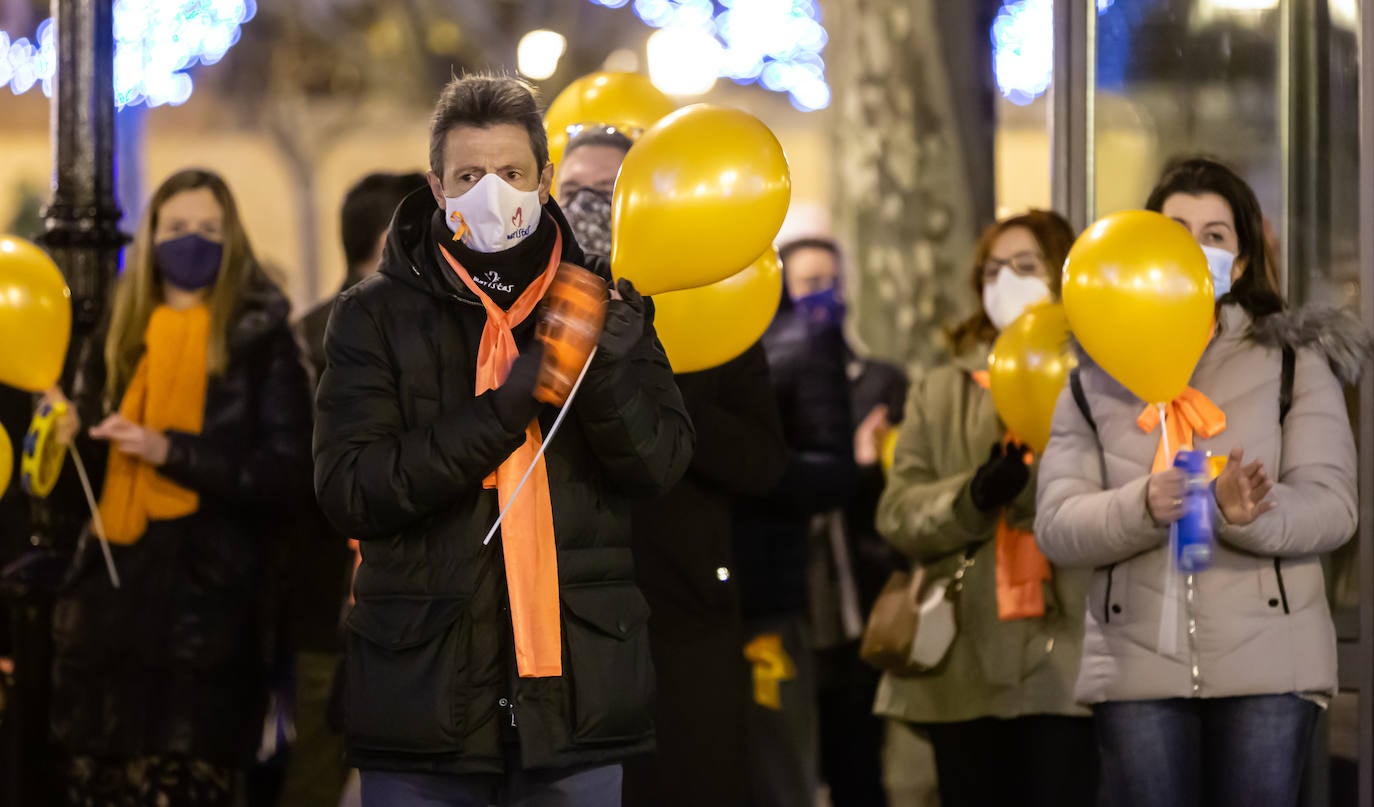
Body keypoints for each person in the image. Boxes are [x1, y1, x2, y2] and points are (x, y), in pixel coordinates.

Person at [312, 74, 694, 806]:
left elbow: (660, 465)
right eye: (469, 175)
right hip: (425, 703)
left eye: (512, 173)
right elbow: (351, 489)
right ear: (437, 185)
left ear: (545, 179)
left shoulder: (601, 300)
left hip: (576, 696)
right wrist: (501, 410)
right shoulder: (372, 316)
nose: (494, 192)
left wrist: (610, 365)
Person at [1036, 157, 1368, 807]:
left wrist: (1248, 513)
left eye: (1214, 234)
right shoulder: (1091, 377)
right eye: (1176, 228)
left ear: (1240, 262)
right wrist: (1142, 503)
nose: (1194, 247)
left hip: (1272, 668)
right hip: (1134, 674)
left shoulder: (1291, 364)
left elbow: (1333, 506)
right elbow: (1056, 522)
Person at [46, 168, 314, 805]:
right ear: (150, 238)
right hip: (110, 615)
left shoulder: (263, 343)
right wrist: (66, 443)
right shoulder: (118, 336)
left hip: (208, 621)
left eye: (208, 229)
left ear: (233, 240)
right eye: (176, 228)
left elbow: (287, 475)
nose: (191, 241)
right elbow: (73, 498)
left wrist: (171, 452)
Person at [556, 126, 790, 807]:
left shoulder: (714, 309)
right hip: (568, 611)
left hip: (684, 610)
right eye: (573, 192)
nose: (589, 207)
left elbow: (764, 463)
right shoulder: (531, 312)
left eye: (607, 192)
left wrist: (659, 378)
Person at [876, 210, 1097, 807]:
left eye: (1027, 268)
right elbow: (897, 513)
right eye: (994, 270)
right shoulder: (942, 390)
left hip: (1066, 659)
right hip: (965, 661)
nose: (1007, 282)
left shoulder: (1101, 379)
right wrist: (971, 496)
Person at [281, 171, 425, 807]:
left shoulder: (423, 324)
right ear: (389, 236)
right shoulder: (321, 339)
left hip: (399, 604)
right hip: (333, 602)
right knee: (320, 767)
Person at [779, 236, 907, 807]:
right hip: (796, 596)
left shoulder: (881, 382)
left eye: (830, 281)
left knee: (860, 762)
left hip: (863, 593)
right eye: (808, 283)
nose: (822, 296)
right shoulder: (774, 374)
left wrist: (868, 464)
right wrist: (845, 460)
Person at [733, 263, 856, 807]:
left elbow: (834, 472)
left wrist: (754, 463)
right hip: (672, 599)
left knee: (777, 769)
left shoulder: (799, 338)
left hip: (765, 600)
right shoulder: (652, 320)